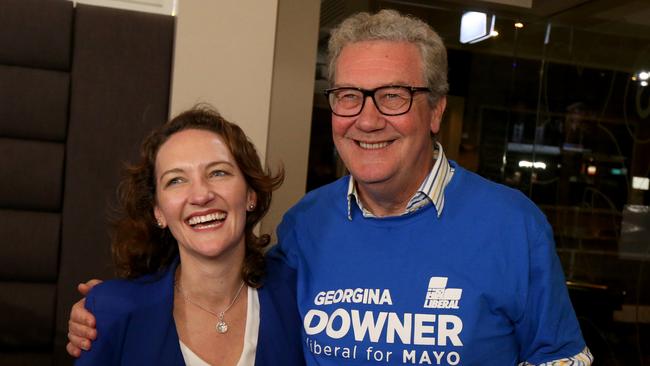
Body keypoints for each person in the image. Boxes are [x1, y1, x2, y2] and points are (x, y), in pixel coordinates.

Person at [67, 9, 592, 365]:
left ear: (436, 110)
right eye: (348, 96)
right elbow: (221, 276)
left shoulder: (513, 225)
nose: (367, 120)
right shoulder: (304, 226)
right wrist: (115, 309)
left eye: (392, 95)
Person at [71, 105, 304, 365]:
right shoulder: (111, 311)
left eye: (218, 173)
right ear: (158, 211)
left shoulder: (298, 297)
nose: (201, 195)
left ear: (251, 194)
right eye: (176, 180)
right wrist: (103, 305)